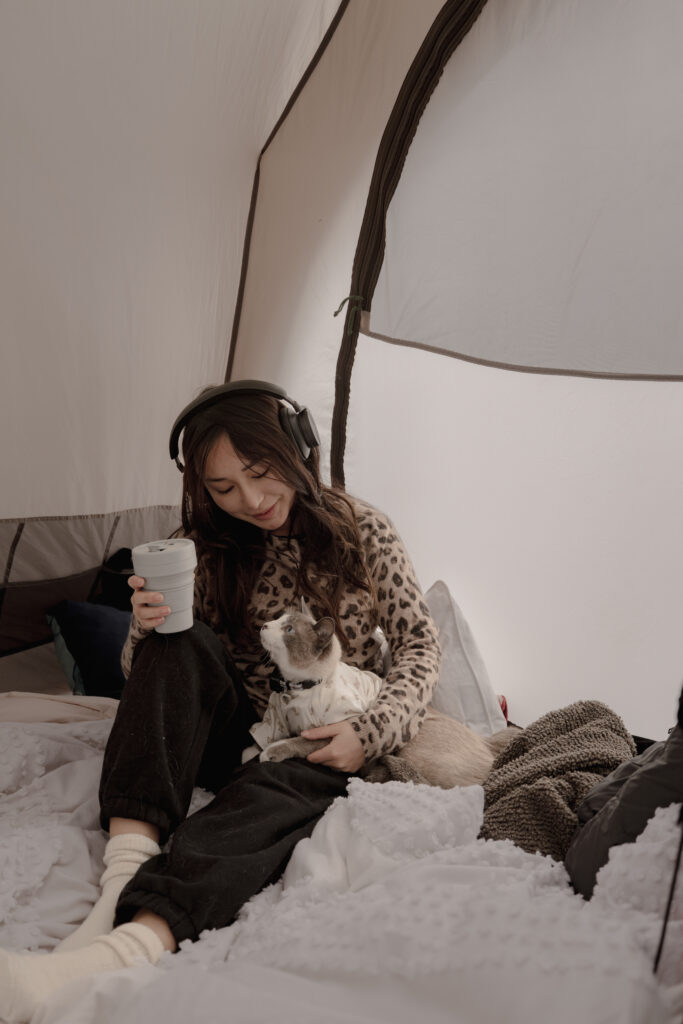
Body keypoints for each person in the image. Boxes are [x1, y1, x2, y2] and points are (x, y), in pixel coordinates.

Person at [0, 381, 441, 1023]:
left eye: (261, 475)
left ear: (297, 451)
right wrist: (143, 628)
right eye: (223, 488)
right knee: (179, 642)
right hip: (227, 730)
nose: (252, 501)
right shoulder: (199, 547)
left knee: (290, 775)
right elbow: (148, 679)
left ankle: (125, 946)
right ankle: (122, 876)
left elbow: (420, 648)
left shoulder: (362, 531)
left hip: (317, 737)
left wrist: (370, 733)